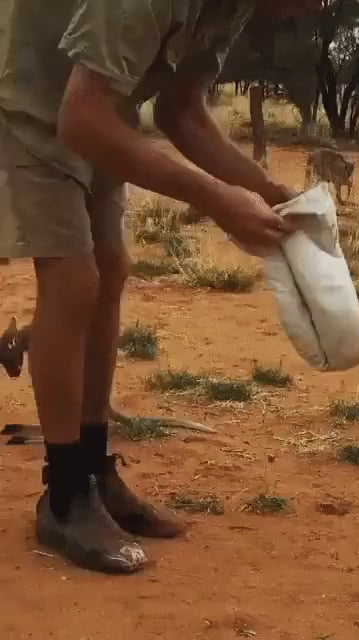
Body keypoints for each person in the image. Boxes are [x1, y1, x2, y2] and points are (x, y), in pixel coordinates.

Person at [0, 0, 319, 574]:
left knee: (110, 268)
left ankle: (94, 474)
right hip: (27, 96)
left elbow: (183, 114)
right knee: (74, 280)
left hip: (93, 110)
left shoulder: (232, 8)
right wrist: (217, 199)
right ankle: (65, 495)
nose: (321, 6)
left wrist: (270, 193)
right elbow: (79, 117)